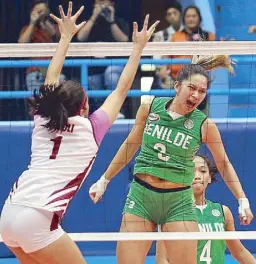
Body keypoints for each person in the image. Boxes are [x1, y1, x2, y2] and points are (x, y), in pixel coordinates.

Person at [0, 2, 159, 264]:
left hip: (9, 212)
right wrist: (138, 48)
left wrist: (64, 37)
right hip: (39, 217)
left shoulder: (42, 118)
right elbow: (121, 89)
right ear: (84, 107)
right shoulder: (92, 128)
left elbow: (50, 77)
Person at [89, 55, 253, 264]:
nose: (196, 95)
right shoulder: (149, 108)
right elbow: (129, 147)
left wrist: (242, 199)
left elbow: (223, 164)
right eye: (191, 88)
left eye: (202, 91)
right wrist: (104, 179)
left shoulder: (204, 125)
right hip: (141, 197)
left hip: (179, 202)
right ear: (177, 86)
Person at [156, 155, 256, 264]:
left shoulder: (223, 212)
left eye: (203, 171)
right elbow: (162, 260)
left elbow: (239, 252)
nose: (197, 176)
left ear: (209, 178)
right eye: (191, 171)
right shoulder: (171, 213)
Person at [77, 0, 130, 117]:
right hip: (95, 67)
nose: (102, 7)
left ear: (112, 6)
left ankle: (116, 110)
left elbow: (124, 40)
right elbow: (80, 37)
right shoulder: (90, 22)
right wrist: (94, 17)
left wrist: (111, 21)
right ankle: (102, 113)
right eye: (99, 4)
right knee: (92, 81)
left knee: (110, 74)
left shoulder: (119, 21)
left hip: (114, 65)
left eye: (105, 4)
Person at [18, 0, 63, 91]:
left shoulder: (55, 27)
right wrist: (33, 23)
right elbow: (21, 45)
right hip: (35, 71)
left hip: (53, 71)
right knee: (36, 102)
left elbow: (60, 39)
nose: (41, 14)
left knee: (57, 101)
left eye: (43, 11)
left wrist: (45, 21)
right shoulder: (27, 29)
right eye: (38, 11)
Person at [153, 1, 183, 89]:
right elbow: (156, 58)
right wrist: (163, 71)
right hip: (167, 75)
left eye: (175, 13)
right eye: (169, 14)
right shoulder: (160, 35)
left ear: (180, 15)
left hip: (186, 73)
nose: (172, 16)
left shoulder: (188, 33)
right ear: (166, 17)